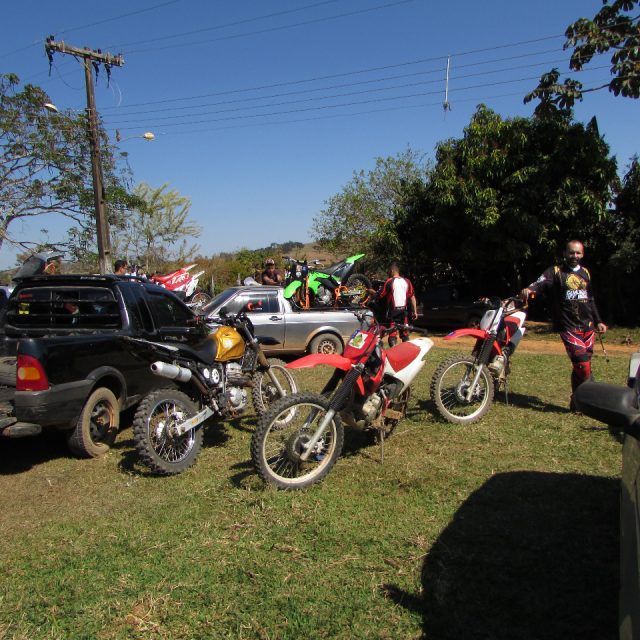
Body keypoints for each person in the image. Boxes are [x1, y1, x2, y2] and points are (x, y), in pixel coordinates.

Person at [521, 239, 607, 411]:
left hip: (588, 326)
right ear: (564, 253)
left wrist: (598, 321)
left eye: (578, 252)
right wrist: (529, 290)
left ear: (582, 254)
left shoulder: (585, 273)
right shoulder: (555, 271)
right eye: (571, 252)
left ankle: (576, 402)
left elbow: (590, 299)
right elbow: (539, 284)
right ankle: (591, 399)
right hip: (568, 326)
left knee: (581, 364)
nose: (574, 255)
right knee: (583, 365)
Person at [376, 262, 418, 346]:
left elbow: (380, 295)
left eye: (389, 270)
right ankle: (406, 351)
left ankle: (393, 351)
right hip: (403, 312)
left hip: (392, 313)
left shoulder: (389, 281)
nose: (388, 272)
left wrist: (371, 291)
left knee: (392, 335)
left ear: (392, 270)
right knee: (405, 334)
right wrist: (415, 311)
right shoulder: (407, 281)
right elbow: (412, 297)